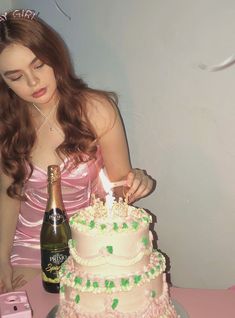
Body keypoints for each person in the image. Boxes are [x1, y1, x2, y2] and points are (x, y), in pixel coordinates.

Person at [0, 9, 154, 293]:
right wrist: (1, 260)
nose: (33, 83)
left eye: (38, 65)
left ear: (55, 56)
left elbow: (119, 190)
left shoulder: (96, 109)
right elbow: (8, 196)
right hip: (30, 247)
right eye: (16, 77)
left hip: (91, 246)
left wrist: (137, 181)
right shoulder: (6, 123)